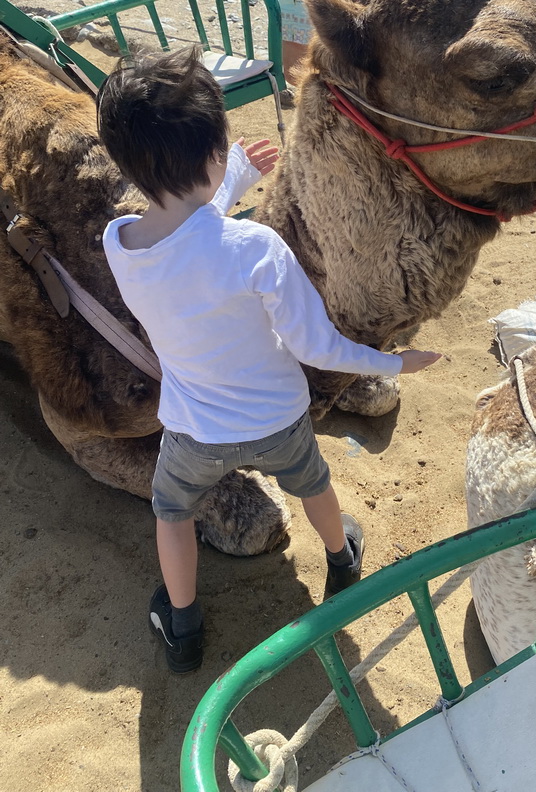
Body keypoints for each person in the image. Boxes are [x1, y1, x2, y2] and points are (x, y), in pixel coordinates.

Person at [97, 48, 440, 673]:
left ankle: (184, 626)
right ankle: (341, 561)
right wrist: (391, 364)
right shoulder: (256, 246)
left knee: (172, 511)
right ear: (215, 150)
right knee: (314, 484)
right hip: (279, 419)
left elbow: (190, 240)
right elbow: (316, 346)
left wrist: (227, 184)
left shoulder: (120, 244)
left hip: (195, 431)